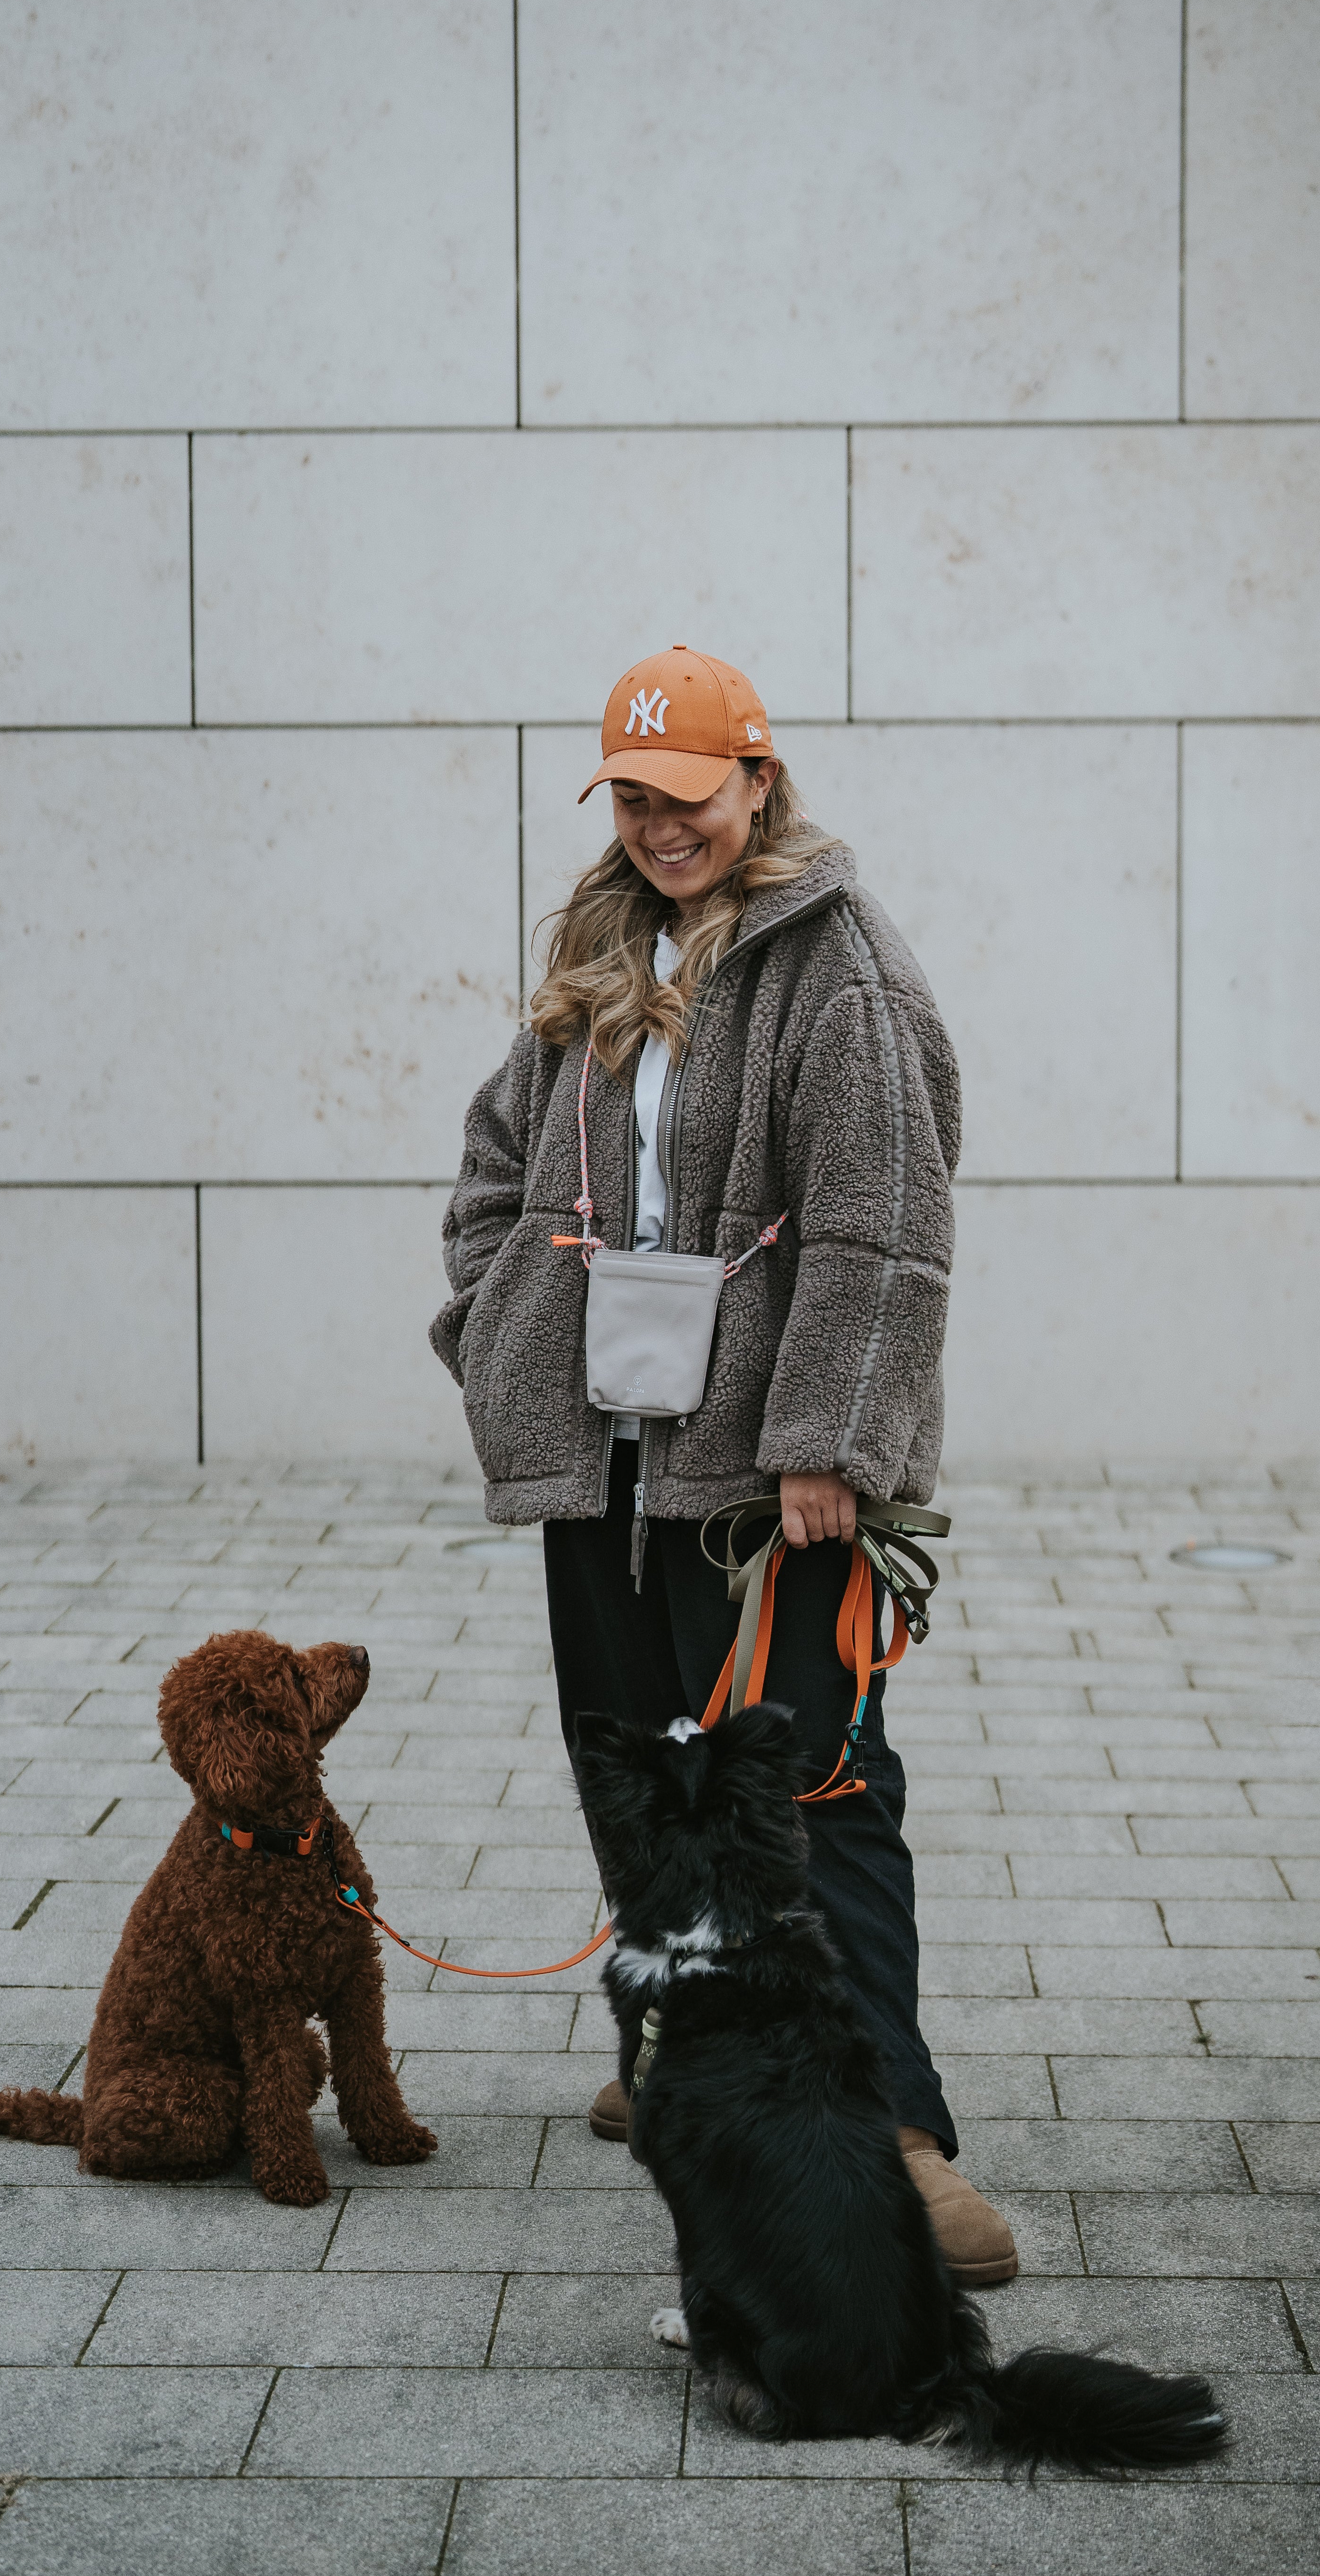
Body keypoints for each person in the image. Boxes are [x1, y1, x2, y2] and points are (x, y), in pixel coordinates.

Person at [431, 644, 1015, 2286]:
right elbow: (495, 1158)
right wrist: (497, 1318)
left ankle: (888, 2137)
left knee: (813, 1792)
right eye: (631, 798)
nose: (659, 828)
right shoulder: (603, 945)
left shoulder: (842, 971)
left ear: (757, 781)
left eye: (684, 799)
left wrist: (829, 1442)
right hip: (601, 1458)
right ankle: (684, 2048)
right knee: (640, 1770)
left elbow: (883, 1224)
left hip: (766, 1480)